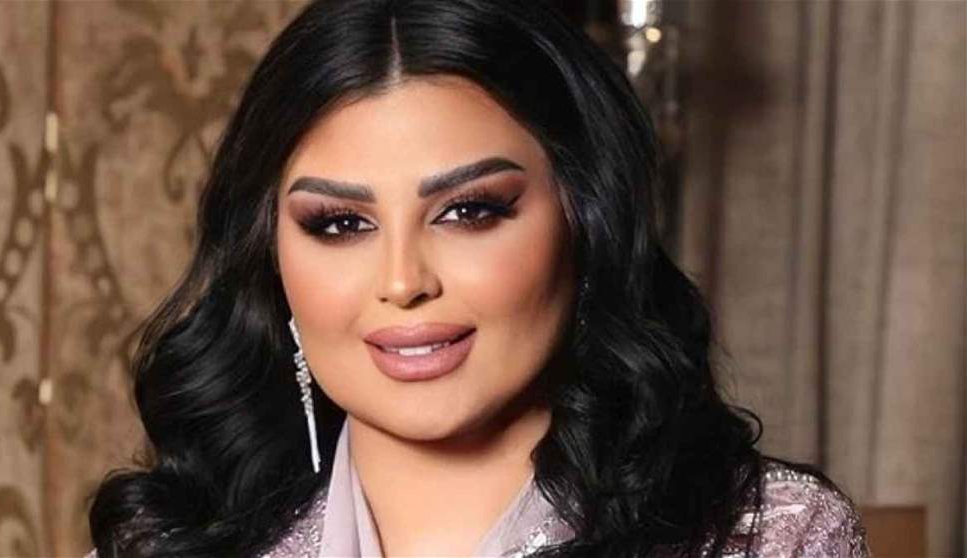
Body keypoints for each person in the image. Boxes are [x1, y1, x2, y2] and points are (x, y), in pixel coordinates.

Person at [87, 0, 871, 556]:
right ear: (270, 253)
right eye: (340, 224)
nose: (403, 281)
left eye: (469, 212)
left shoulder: (766, 538)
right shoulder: (161, 546)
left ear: (586, 218)